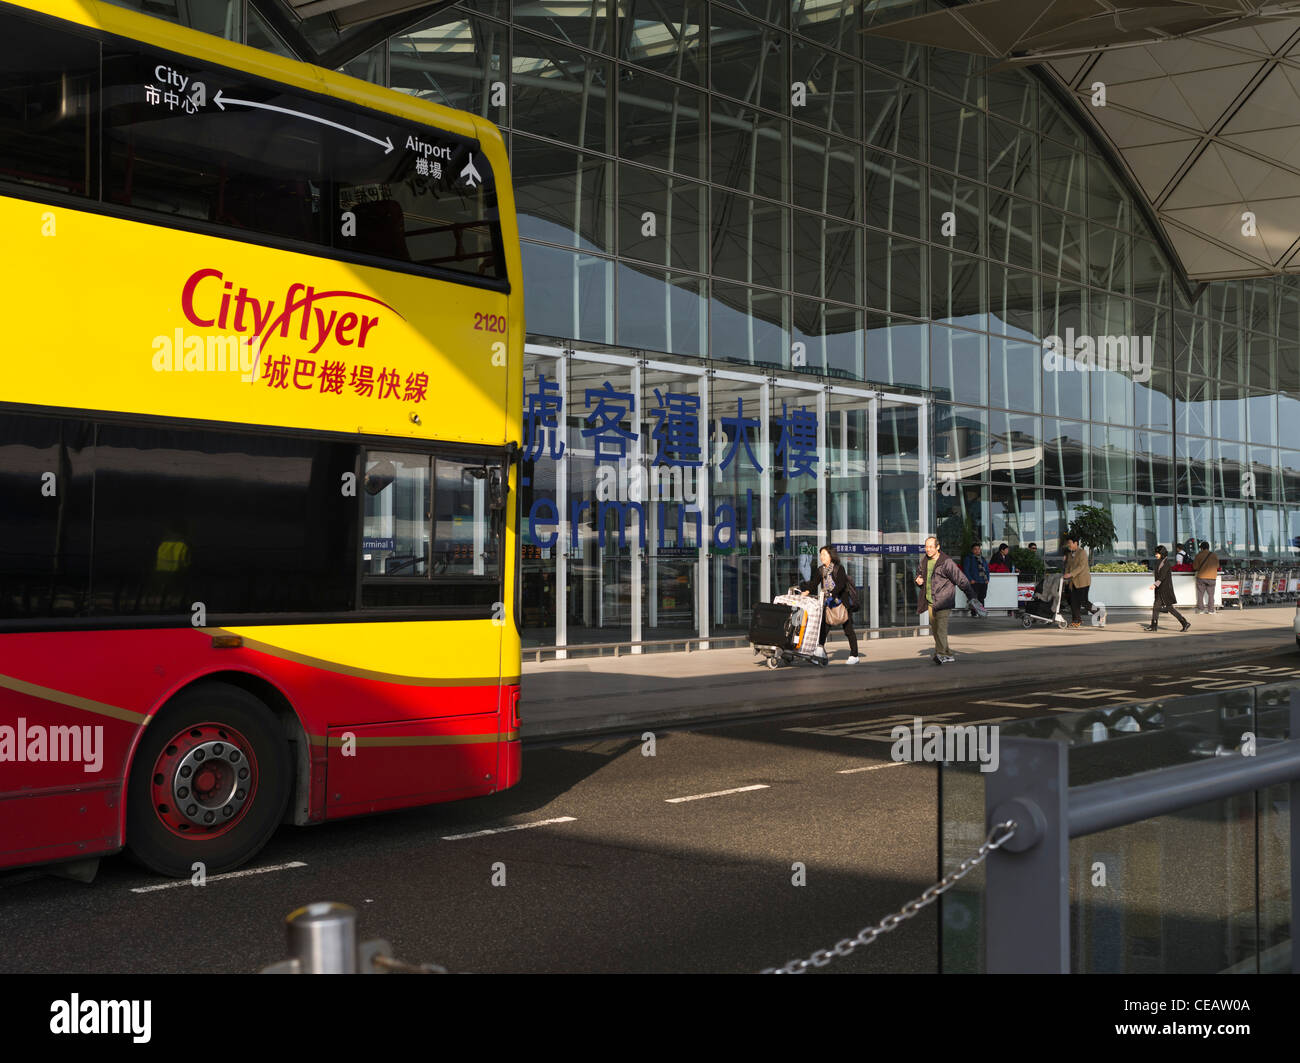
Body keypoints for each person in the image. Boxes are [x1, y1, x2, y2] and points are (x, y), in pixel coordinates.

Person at [914, 535, 980, 664]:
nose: (928, 549)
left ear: (938, 547)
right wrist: (918, 580)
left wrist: (972, 596)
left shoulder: (946, 562)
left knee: (941, 629)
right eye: (926, 547)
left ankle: (941, 654)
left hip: (944, 600)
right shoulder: (924, 561)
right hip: (930, 601)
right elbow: (919, 573)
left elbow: (961, 579)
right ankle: (948, 654)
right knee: (936, 630)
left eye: (931, 547)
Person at [800, 545, 859, 664]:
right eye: (821, 554)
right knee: (823, 629)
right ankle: (819, 653)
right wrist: (806, 592)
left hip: (842, 604)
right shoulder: (820, 570)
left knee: (848, 630)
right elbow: (814, 583)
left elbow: (841, 585)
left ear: (831, 556)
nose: (822, 557)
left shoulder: (839, 568)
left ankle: (854, 655)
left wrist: (832, 594)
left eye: (824, 554)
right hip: (828, 604)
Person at [1144, 545, 1190, 632]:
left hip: (1165, 590)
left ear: (1162, 553)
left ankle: (1184, 623)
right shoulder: (1159, 562)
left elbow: (1162, 576)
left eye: (1157, 553)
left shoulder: (1166, 563)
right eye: (1156, 553)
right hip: (1160, 590)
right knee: (1156, 607)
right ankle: (1154, 626)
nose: (1156, 555)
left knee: (1169, 608)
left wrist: (1155, 585)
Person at [1061, 533, 1092, 628]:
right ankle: (1076, 620)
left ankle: (1099, 612)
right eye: (1068, 543)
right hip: (1072, 582)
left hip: (1083, 581)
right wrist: (1065, 577)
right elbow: (1068, 567)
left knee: (1084, 601)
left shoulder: (1082, 552)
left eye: (1070, 543)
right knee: (1073, 601)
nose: (1068, 545)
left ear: (1076, 543)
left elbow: (1081, 567)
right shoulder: (1069, 554)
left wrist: (1071, 574)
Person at [962, 544, 990, 617]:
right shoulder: (969, 558)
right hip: (974, 581)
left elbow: (987, 570)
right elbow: (966, 570)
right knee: (974, 598)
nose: (977, 550)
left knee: (982, 597)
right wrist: (970, 579)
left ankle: (981, 613)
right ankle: (974, 613)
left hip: (983, 581)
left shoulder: (983, 559)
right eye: (975, 549)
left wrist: (987, 579)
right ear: (972, 550)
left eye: (978, 549)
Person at [1192, 539, 1219, 614]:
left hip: (1201, 577)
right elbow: (1217, 566)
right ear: (1208, 547)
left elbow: (1195, 567)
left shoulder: (1198, 555)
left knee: (1200, 594)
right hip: (1212, 577)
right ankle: (1211, 610)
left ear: (1201, 548)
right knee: (1211, 595)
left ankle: (1201, 610)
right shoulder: (1214, 555)